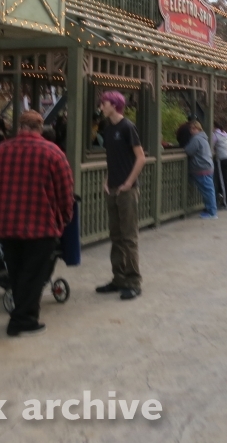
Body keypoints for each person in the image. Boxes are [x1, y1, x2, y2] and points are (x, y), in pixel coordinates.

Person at [0, 110, 74, 336]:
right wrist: (64, 218)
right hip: (42, 225)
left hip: (8, 224)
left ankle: (27, 317)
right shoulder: (54, 153)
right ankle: (21, 320)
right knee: (34, 276)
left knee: (17, 273)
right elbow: (65, 191)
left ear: (19, 127)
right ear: (39, 128)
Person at [94, 91, 146, 302]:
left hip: (127, 191)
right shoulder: (108, 128)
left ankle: (134, 282)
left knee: (129, 237)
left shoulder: (127, 127)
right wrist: (108, 179)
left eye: (103, 103)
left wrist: (128, 182)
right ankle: (119, 278)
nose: (101, 106)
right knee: (115, 236)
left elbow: (140, 158)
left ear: (114, 105)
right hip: (113, 188)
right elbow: (113, 158)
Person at [184, 120, 217, 218]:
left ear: (197, 129)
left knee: (208, 191)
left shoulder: (196, 139)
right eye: (190, 128)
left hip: (201, 168)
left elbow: (189, 151)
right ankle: (210, 209)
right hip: (207, 166)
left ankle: (212, 212)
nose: (191, 130)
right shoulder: (204, 138)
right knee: (209, 190)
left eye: (193, 128)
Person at [212, 120, 227, 208]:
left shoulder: (215, 135)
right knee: (225, 181)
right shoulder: (224, 134)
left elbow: (211, 146)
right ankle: (224, 198)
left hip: (223, 159)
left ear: (214, 127)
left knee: (223, 182)